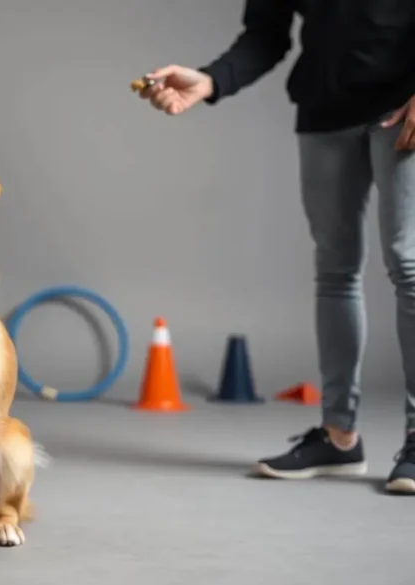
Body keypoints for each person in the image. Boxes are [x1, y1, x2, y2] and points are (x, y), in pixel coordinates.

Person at [137, 0, 415, 494]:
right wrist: (210, 80)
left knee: (408, 264)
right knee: (335, 271)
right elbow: (266, 34)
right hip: (325, 109)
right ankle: (339, 437)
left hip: (403, 104)